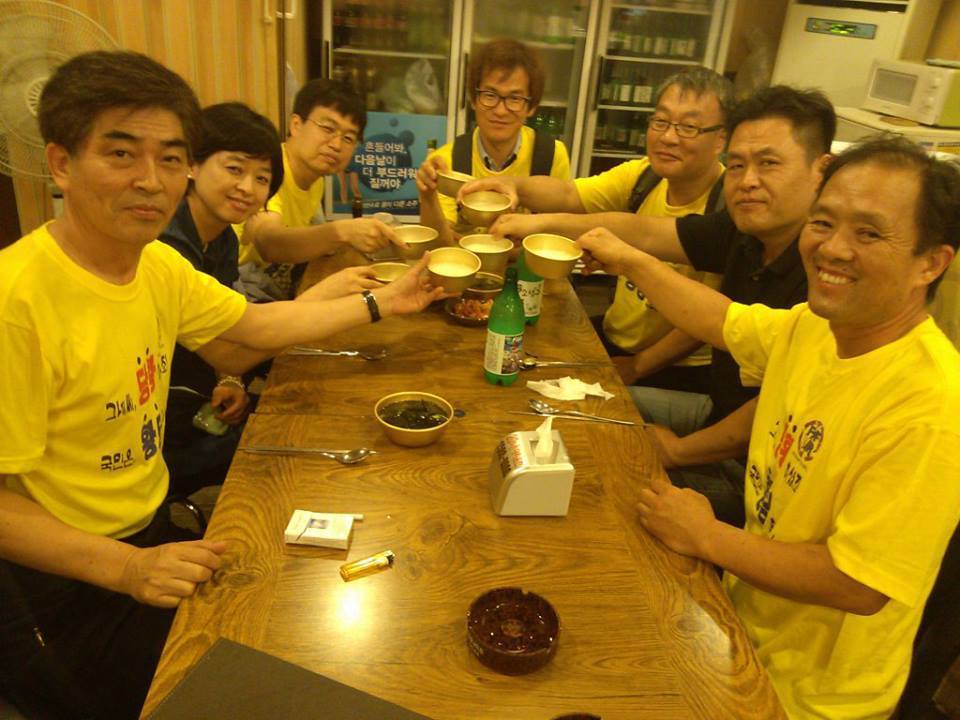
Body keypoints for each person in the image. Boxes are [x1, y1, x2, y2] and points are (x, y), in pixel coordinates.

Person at [0, 51, 446, 720]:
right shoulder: (16, 302)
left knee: (298, 638)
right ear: (62, 163)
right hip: (60, 582)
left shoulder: (155, 265)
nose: (151, 181)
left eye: (169, 158)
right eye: (121, 154)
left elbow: (256, 325)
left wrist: (389, 300)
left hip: (149, 528)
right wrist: (126, 569)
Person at [576, 134, 960, 719]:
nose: (833, 248)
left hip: (810, 699)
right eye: (823, 222)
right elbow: (722, 319)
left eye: (869, 233)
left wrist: (706, 535)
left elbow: (858, 582)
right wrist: (627, 258)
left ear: (931, 263)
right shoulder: (817, 327)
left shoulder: (933, 405)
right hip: (740, 627)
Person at [488, 86, 833, 527]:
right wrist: (536, 224)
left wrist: (679, 451)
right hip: (716, 409)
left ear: (822, 171)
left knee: (597, 489)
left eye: (769, 163)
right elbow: (645, 232)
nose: (748, 181)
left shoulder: (824, 275)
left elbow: (775, 408)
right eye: (739, 165)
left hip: (754, 471)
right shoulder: (743, 231)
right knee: (566, 408)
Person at [462, 67, 732, 394]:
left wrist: (638, 366)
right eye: (661, 121)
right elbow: (568, 194)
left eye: (688, 127)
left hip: (674, 370)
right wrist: (513, 185)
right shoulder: (644, 176)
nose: (669, 137)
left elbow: (707, 320)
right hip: (613, 336)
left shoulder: (726, 208)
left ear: (721, 139)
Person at [159, 102, 382, 498]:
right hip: (159, 420)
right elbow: (231, 352)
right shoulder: (167, 245)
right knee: (299, 442)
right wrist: (329, 296)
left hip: (200, 386)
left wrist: (228, 380)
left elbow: (226, 332)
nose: (248, 188)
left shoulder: (222, 236)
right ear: (192, 164)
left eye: (261, 178)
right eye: (234, 169)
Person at [237, 79, 404, 300]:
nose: (336, 145)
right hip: (239, 293)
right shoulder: (270, 172)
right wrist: (342, 232)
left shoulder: (315, 179)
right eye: (327, 129)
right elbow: (269, 242)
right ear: (296, 125)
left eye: (348, 138)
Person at [415, 38, 571, 245]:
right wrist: (427, 197)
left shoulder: (552, 155)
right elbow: (438, 246)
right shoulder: (445, 161)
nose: (500, 110)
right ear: (473, 99)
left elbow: (559, 236)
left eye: (514, 99)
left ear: (531, 107)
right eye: (490, 95)